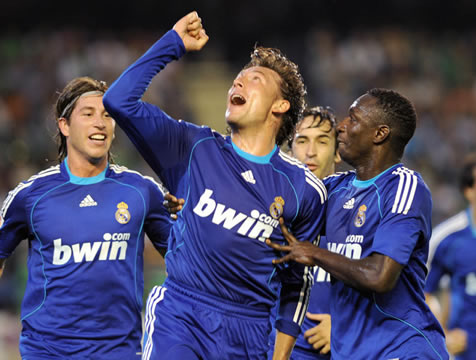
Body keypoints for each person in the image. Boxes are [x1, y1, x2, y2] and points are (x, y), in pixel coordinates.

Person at [103, 11, 326, 360]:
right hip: (182, 313)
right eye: (236, 79)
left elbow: (296, 285)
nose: (237, 84)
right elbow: (119, 100)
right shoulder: (193, 146)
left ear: (280, 105)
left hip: (251, 331)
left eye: (254, 80)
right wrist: (172, 44)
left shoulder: (304, 190)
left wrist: (279, 357)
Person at [266, 88, 449, 359]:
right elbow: (269, 215)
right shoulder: (335, 189)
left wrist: (314, 253)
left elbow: (380, 276)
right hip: (352, 354)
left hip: (402, 349)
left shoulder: (404, 186)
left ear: (380, 133)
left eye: (353, 119)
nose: (341, 126)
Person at [0, 76, 172, 359]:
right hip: (47, 353)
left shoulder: (143, 192)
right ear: (64, 125)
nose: (100, 123)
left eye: (107, 115)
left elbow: (186, 259)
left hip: (119, 352)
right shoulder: (30, 196)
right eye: (88, 114)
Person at [267, 106, 340, 360]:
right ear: (289, 150)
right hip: (269, 349)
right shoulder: (269, 209)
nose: (311, 151)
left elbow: (388, 287)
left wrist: (342, 327)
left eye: (322, 141)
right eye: (302, 141)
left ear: (338, 152)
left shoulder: (355, 214)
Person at [425, 153, 476, 360]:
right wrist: (442, 335)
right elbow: (421, 293)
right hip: (468, 351)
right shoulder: (447, 239)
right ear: (469, 191)